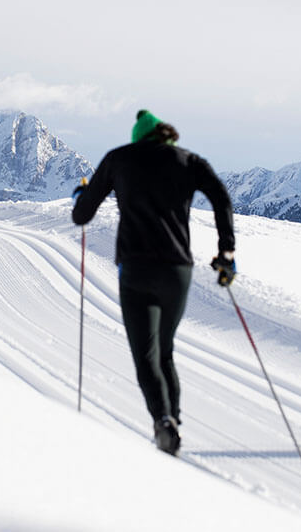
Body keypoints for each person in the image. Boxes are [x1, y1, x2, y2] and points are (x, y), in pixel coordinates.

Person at [72, 110, 236, 455]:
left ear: (138, 137)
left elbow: (82, 214)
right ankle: (173, 421)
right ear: (168, 137)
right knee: (165, 352)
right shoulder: (190, 161)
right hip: (178, 271)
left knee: (145, 354)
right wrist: (227, 251)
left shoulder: (119, 158)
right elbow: (221, 198)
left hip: (137, 269)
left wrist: (80, 197)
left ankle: (164, 421)